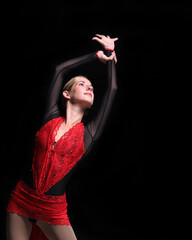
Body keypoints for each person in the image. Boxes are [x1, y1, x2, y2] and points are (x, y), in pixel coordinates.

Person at [6, 34, 118, 240]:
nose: (90, 87)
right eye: (83, 84)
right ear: (66, 94)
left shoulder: (89, 134)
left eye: (91, 87)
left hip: (52, 210)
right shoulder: (51, 116)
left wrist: (110, 56)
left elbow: (112, 89)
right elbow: (60, 70)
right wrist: (95, 56)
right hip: (21, 198)